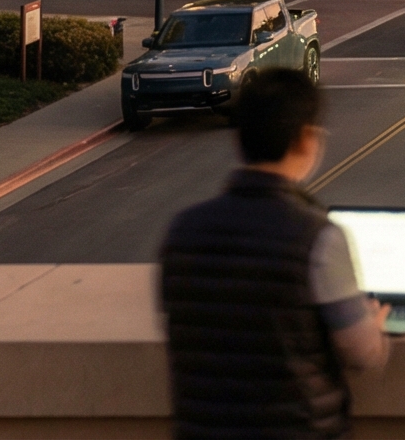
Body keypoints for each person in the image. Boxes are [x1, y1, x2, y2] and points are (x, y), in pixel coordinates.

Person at [158, 68, 388, 439]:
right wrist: (372, 324)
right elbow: (362, 352)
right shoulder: (319, 237)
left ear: (239, 141)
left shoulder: (181, 230)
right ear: (306, 139)